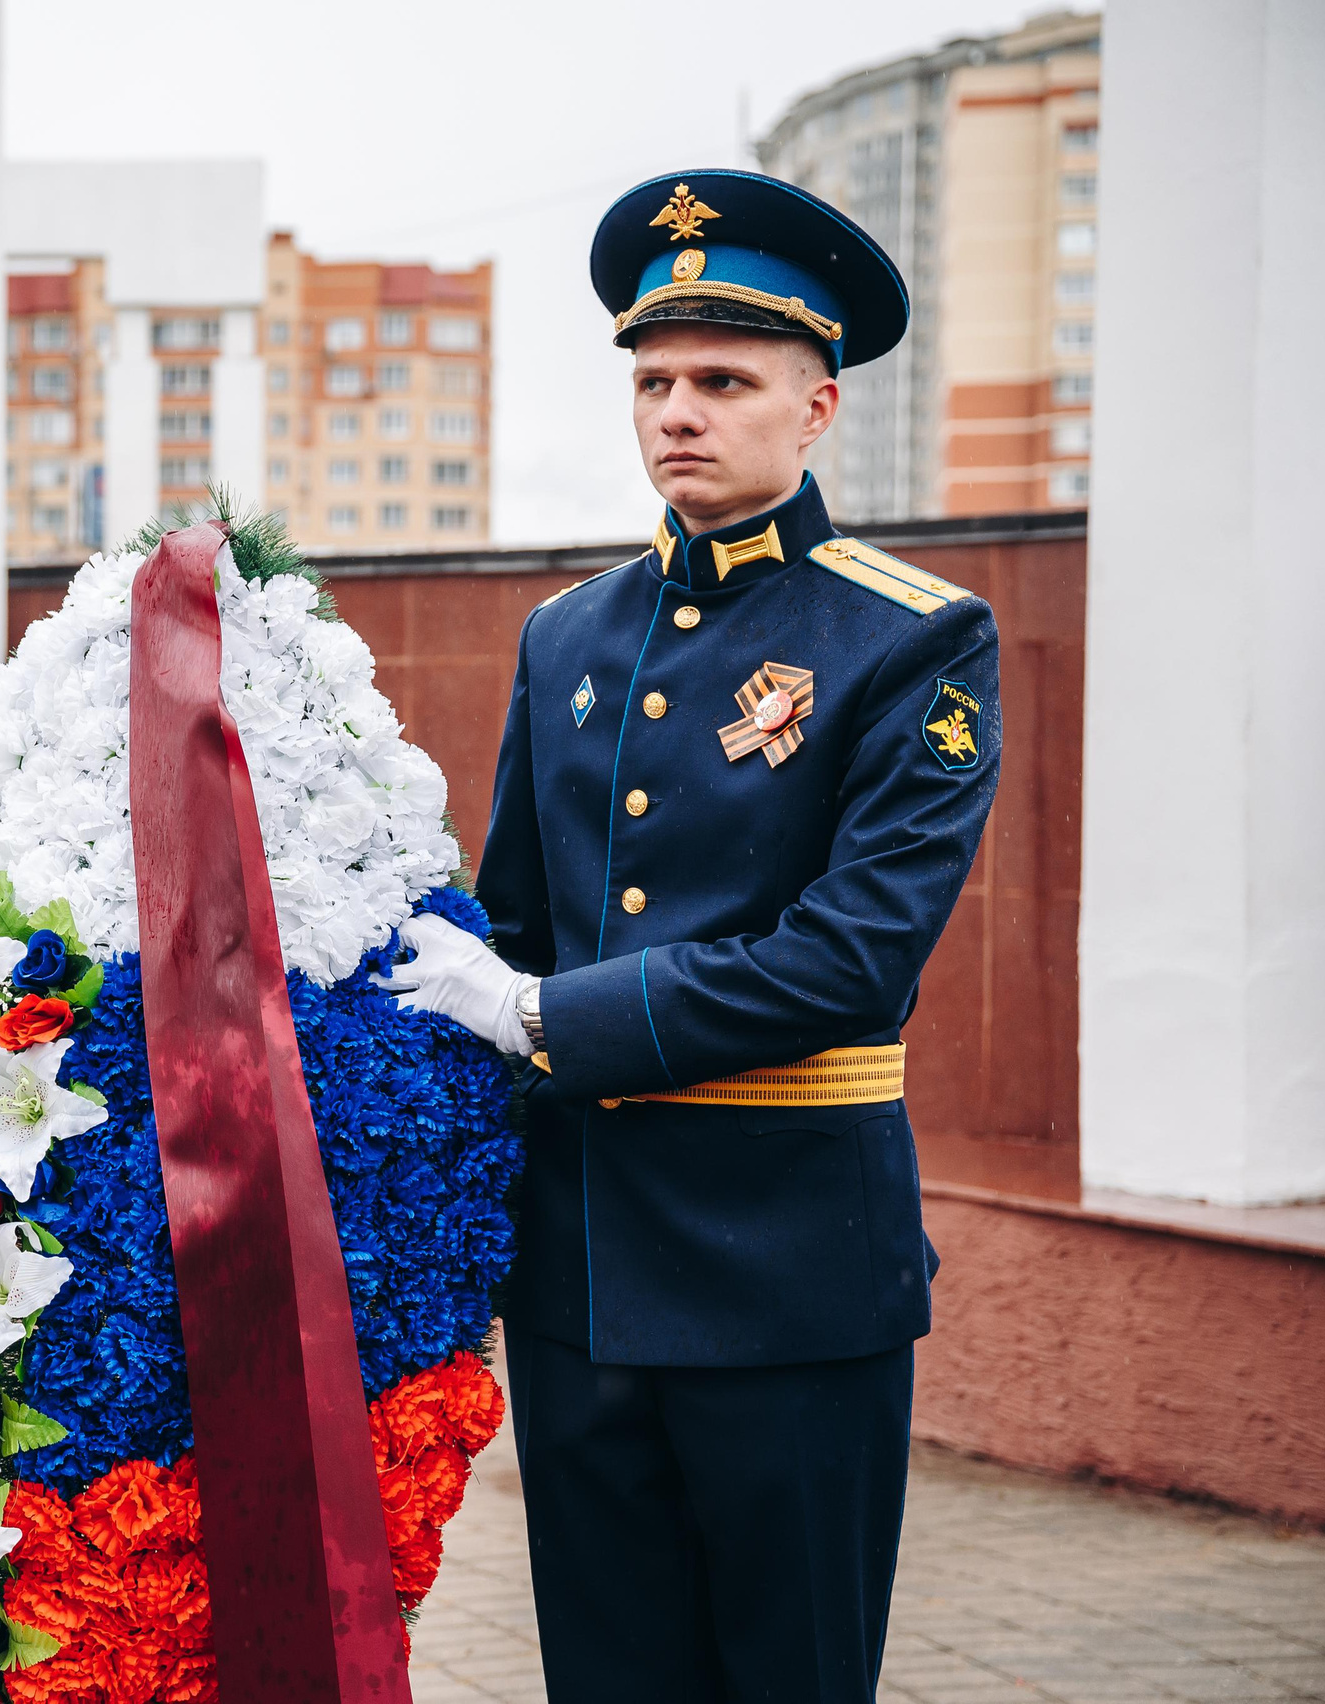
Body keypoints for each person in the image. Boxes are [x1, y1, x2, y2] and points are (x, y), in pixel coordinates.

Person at [381, 170, 1001, 1701]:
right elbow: (510, 919)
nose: (679, 411)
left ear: (819, 408)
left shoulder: (911, 635)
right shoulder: (571, 634)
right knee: (610, 1675)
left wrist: (537, 1020)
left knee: (785, 1675)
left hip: (788, 1265)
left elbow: (851, 959)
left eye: (725, 380)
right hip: (588, 1270)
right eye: (655, 380)